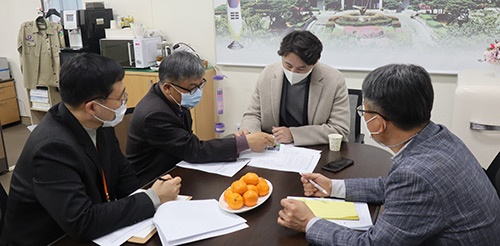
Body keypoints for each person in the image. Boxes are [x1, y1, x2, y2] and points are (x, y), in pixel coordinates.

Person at [277, 64, 500, 245]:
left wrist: (309, 222)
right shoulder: (440, 136)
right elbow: (395, 185)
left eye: (364, 112)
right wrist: (333, 187)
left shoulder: (416, 175)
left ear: (378, 123)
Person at [0, 53, 182, 245]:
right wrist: (152, 198)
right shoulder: (52, 149)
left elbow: (126, 181)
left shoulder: (101, 124)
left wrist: (156, 197)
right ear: (92, 107)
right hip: (50, 240)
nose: (124, 102)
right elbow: (82, 222)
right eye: (121, 97)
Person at [127, 51, 275, 186]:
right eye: (192, 88)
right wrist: (244, 143)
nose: (197, 93)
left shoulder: (175, 99)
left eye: (200, 85)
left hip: (178, 166)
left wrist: (236, 141)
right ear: (167, 87)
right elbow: (193, 150)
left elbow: (187, 142)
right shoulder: (155, 114)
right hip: (154, 182)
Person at [237, 30, 350, 146]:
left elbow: (339, 129)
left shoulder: (334, 80)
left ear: (315, 62)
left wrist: (294, 134)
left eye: (301, 69)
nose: (293, 72)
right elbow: (253, 114)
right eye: (288, 65)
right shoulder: (268, 74)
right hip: (273, 147)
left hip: (314, 149)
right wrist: (249, 133)